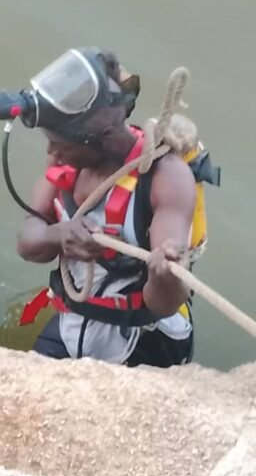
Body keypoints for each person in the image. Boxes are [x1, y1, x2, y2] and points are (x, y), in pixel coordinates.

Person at [11, 47, 218, 367]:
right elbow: (27, 241)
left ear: (102, 137)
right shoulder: (65, 160)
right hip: (76, 322)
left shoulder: (166, 178)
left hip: (145, 334)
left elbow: (163, 304)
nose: (51, 150)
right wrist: (59, 234)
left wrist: (166, 273)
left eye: (61, 144)